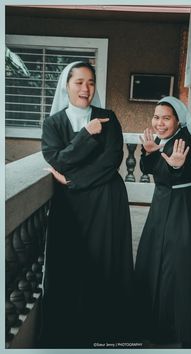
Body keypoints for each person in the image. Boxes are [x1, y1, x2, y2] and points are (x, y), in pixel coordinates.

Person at [39, 61, 134, 348]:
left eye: (90, 82)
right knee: (71, 264)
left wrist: (73, 181)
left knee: (104, 263)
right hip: (71, 209)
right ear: (66, 85)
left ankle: (105, 333)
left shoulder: (108, 118)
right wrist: (85, 135)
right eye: (79, 82)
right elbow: (57, 160)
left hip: (106, 202)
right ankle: (69, 332)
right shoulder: (53, 123)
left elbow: (112, 160)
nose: (85, 88)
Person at [134, 96, 191, 348]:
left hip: (185, 211)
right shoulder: (167, 139)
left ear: (178, 120)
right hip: (167, 205)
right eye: (156, 117)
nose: (159, 123)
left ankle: (175, 327)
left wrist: (168, 164)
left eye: (166, 118)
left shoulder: (183, 143)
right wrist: (152, 152)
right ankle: (157, 321)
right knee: (158, 259)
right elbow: (150, 167)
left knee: (178, 266)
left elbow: (168, 175)